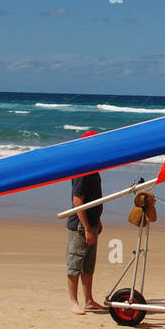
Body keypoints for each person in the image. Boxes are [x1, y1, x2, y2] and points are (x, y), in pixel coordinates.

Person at [65, 131, 105, 314]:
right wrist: (88, 228)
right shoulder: (82, 169)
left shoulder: (93, 167)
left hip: (92, 221)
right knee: (75, 262)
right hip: (80, 225)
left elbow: (93, 197)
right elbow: (77, 200)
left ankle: (89, 300)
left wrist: (98, 220)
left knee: (89, 264)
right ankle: (74, 302)